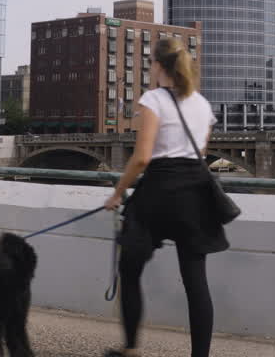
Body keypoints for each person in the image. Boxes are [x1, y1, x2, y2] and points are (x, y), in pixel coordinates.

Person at [103, 37, 228, 357]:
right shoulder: (202, 104)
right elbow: (200, 152)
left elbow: (142, 158)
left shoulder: (153, 99)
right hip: (194, 193)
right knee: (196, 281)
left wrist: (118, 193)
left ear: (158, 66)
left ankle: (131, 347)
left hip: (158, 192)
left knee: (130, 268)